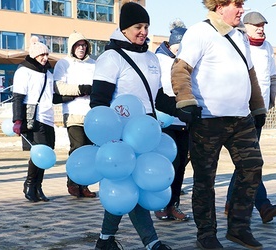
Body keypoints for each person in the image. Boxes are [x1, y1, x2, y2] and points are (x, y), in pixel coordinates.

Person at [171, 0, 266, 249]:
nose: (242, 10)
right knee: (205, 180)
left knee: (252, 168)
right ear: (220, 5)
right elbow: (180, 69)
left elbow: (251, 75)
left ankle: (239, 228)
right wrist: (185, 101)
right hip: (208, 120)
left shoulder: (240, 36)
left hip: (241, 119)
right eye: (238, 4)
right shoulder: (199, 32)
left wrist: (257, 107)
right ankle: (206, 234)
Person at [90, 1, 175, 249]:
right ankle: (152, 242)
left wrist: (184, 109)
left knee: (125, 187)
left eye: (147, 26)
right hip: (121, 132)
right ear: (124, 28)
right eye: (138, 26)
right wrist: (107, 137)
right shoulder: (111, 58)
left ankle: (105, 240)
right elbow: (99, 101)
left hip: (148, 131)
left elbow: (157, 98)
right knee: (134, 184)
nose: (144, 31)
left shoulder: (152, 58)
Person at [225, 11, 276, 224]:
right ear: (245, 26)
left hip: (259, 115)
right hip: (240, 112)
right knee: (251, 162)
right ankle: (263, 205)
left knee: (246, 162)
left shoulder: (267, 48)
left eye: (263, 25)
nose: (261, 28)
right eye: (256, 25)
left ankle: (232, 202)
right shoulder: (238, 44)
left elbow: (273, 79)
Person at [153, 19, 190, 222]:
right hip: (164, 121)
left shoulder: (186, 61)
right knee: (168, 164)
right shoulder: (158, 60)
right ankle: (160, 204)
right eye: (179, 45)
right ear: (171, 43)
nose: (181, 50)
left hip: (183, 120)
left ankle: (173, 203)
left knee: (182, 164)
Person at [53, 31, 97, 198]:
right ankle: (72, 182)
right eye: (78, 45)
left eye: (84, 45)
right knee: (77, 149)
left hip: (92, 114)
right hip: (73, 113)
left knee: (89, 152)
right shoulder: (64, 63)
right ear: (72, 47)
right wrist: (81, 89)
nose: (81, 48)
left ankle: (84, 185)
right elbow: (59, 87)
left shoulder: (94, 63)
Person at [12, 36, 55, 202]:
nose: (44, 58)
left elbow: (52, 95)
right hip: (33, 116)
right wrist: (17, 120)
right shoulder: (24, 71)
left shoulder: (48, 73)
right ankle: (30, 185)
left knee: (47, 152)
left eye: (46, 55)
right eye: (41, 55)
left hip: (48, 116)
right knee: (39, 153)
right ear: (33, 56)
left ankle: (38, 186)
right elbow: (18, 97)